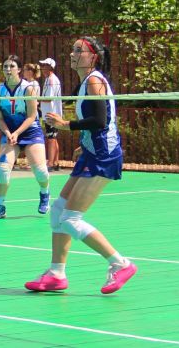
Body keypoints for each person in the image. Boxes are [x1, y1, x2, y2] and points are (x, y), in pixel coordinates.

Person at [26, 36, 136, 294]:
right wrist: (84, 143)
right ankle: (56, 274)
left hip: (103, 156)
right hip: (91, 152)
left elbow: (100, 120)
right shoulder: (87, 81)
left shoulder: (95, 81)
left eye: (79, 51)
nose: (72, 54)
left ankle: (120, 264)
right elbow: (98, 123)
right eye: (72, 50)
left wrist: (66, 125)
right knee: (58, 211)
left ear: (93, 57)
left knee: (70, 219)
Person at [0, 55, 50, 219]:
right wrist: (9, 133)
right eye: (5, 66)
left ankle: (45, 193)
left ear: (19, 70)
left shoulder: (28, 89)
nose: (8, 69)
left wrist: (17, 133)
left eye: (12, 66)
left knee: (41, 172)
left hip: (30, 131)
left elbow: (31, 116)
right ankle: (0, 206)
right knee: (2, 169)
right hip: (10, 133)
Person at [39, 58, 63, 172]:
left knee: (51, 138)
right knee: (53, 137)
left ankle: (50, 163)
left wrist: (35, 99)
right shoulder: (49, 79)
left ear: (50, 67)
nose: (43, 67)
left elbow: (49, 98)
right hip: (49, 113)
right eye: (42, 65)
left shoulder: (51, 80)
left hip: (51, 114)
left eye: (45, 65)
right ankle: (56, 162)